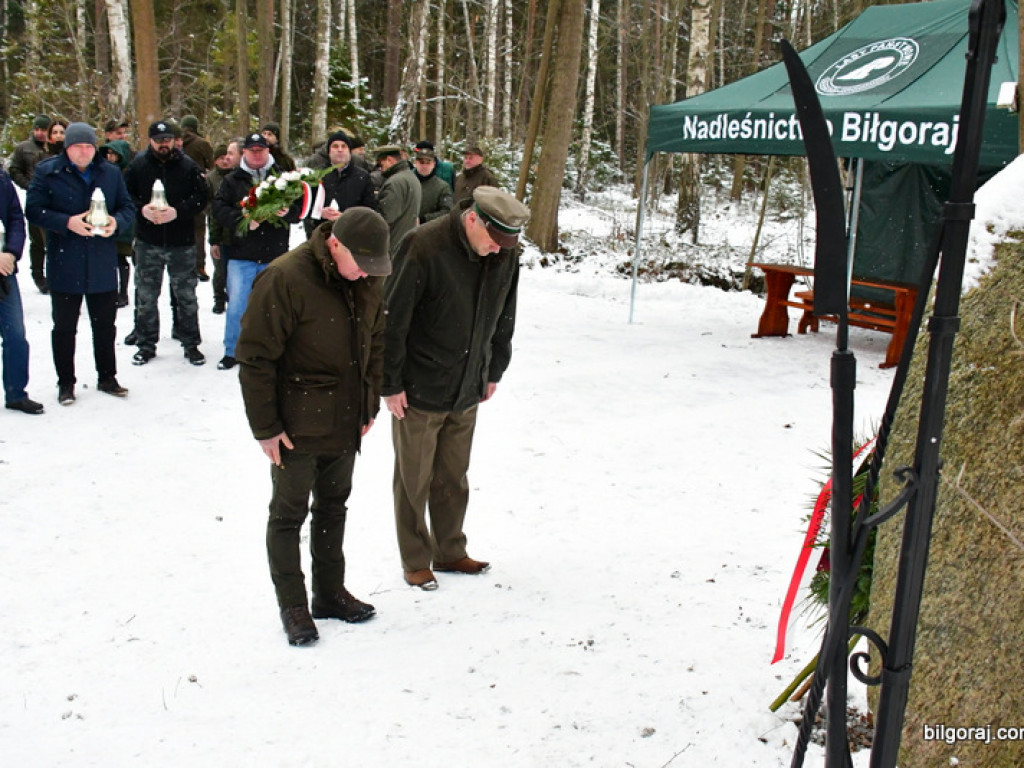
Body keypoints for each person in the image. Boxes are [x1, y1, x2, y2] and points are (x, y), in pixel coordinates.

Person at [236, 208, 391, 646]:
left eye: (373, 266)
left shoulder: (367, 278)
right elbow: (255, 358)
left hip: (346, 419)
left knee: (333, 507)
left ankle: (329, 593)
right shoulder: (284, 278)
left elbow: (376, 342)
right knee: (288, 515)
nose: (366, 274)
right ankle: (294, 606)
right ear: (335, 243)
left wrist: (369, 404)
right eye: (361, 264)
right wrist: (266, 427)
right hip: (296, 425)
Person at [383, 186, 529, 590]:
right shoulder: (423, 246)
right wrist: (390, 382)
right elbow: (392, 318)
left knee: (453, 475)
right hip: (419, 388)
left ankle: (449, 550)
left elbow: (506, 314)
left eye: (505, 245)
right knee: (413, 479)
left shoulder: (504, 253)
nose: (498, 250)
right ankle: (415, 559)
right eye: (493, 241)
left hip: (469, 384)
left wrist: (494, 368)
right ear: (473, 219)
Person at [25, 122, 135, 405]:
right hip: (66, 259)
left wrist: (116, 223)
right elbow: (33, 210)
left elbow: (127, 207)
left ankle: (107, 377)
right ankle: (66, 383)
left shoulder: (109, 173)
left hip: (101, 259)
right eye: (77, 147)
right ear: (67, 148)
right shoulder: (48, 172)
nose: (84, 152)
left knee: (105, 325)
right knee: (64, 327)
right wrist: (66, 222)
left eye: (88, 147)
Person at [211, 132, 301, 371]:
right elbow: (218, 209)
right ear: (244, 153)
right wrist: (241, 220)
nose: (257, 154)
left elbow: (300, 208)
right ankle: (232, 351)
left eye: (261, 150)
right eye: (252, 151)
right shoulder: (232, 180)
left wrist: (288, 213)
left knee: (275, 306)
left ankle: (274, 350)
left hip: (275, 254)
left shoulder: (283, 177)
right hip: (241, 253)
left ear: (268, 151)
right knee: (237, 306)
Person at [123, 120, 209, 367]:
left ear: (175, 140)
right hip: (148, 241)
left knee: (186, 296)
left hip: (181, 241)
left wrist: (178, 211)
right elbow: (125, 196)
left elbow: (202, 197)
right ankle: (146, 344)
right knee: (146, 297)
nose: (164, 144)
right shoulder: (138, 165)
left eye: (168, 140)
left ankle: (191, 343)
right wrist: (142, 210)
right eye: (159, 140)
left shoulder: (188, 166)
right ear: (150, 141)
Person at [0, 167, 44, 415]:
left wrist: (11, 252)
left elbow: (15, 217)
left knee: (15, 334)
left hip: (4, 269)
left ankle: (16, 392)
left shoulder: (1, 180)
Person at [303, 130, 376, 237]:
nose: (340, 150)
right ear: (329, 151)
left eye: (343, 146)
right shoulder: (316, 175)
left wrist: (347, 217)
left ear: (349, 151)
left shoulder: (363, 176)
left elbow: (370, 209)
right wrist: (320, 213)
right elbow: (305, 207)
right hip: (322, 234)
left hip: (351, 235)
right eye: (335, 146)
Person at [8, 114, 52, 294]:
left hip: (55, 200)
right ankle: (39, 276)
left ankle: (54, 275)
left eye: (43, 129)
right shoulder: (24, 148)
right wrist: (28, 185)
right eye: (37, 129)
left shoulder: (56, 148)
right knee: (37, 241)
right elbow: (14, 170)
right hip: (35, 199)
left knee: (53, 240)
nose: (40, 133)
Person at [99, 139, 135, 308]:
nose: (110, 157)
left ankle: (123, 292)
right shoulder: (104, 173)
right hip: (106, 219)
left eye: (114, 154)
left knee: (121, 259)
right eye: (108, 154)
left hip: (123, 222)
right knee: (108, 259)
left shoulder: (128, 174)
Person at [207, 140, 241, 315]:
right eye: (221, 157)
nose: (225, 160)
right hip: (221, 232)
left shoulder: (237, 178)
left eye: (227, 156)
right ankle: (219, 298)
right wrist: (214, 240)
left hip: (236, 235)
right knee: (220, 270)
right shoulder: (211, 179)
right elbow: (212, 210)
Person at [180, 115, 215, 282]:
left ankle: (181, 264)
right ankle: (199, 265)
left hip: (177, 193)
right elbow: (212, 165)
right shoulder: (202, 144)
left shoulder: (175, 142)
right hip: (196, 191)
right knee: (198, 229)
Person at [375, 145, 420, 258]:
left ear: (390, 160)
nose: (380, 169)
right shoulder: (411, 177)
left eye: (381, 164)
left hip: (393, 245)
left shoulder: (395, 182)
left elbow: (386, 217)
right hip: (406, 243)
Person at [412, 148, 454, 223]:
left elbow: (447, 211)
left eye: (428, 163)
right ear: (415, 163)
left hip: (430, 228)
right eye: (421, 162)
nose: (424, 166)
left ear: (434, 164)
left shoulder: (442, 187)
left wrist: (424, 219)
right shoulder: (406, 182)